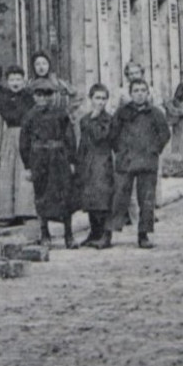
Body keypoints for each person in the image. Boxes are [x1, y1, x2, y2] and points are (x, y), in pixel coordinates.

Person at [111, 76, 170, 249]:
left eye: (143, 91)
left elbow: (164, 134)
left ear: (148, 93)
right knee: (119, 194)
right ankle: (111, 231)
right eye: (135, 91)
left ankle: (143, 234)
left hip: (147, 161)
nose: (139, 94)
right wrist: (121, 151)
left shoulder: (155, 113)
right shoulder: (122, 113)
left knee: (147, 199)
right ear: (130, 93)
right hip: (126, 160)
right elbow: (113, 134)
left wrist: (154, 149)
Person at [22, 78, 79, 247]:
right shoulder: (29, 116)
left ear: (52, 96)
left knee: (65, 195)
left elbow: (70, 137)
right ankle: (45, 233)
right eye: (39, 95)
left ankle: (69, 235)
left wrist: (72, 160)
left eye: (47, 95)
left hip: (59, 159)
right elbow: (24, 142)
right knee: (41, 195)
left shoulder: (61, 114)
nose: (42, 99)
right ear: (34, 96)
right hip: (39, 159)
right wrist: (27, 166)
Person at [0, 66, 37, 223]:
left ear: (24, 81)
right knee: (7, 173)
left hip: (27, 137)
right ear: (7, 81)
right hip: (9, 138)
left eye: (18, 79)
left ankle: (25, 211)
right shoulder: (3, 100)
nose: (15, 83)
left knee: (24, 172)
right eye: (12, 80)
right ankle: (7, 212)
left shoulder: (30, 99)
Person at [75, 84, 116, 248]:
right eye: (97, 98)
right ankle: (94, 232)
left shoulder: (108, 119)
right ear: (90, 99)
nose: (100, 102)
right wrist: (78, 162)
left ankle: (106, 235)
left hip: (103, 160)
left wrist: (96, 117)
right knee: (90, 198)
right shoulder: (84, 119)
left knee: (104, 198)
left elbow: (100, 137)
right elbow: (83, 142)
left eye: (103, 98)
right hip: (88, 161)